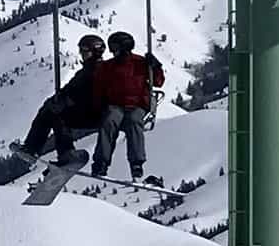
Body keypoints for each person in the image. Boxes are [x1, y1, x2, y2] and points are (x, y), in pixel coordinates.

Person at [17, 33, 108, 166]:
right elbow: (72, 89)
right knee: (53, 111)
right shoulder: (92, 70)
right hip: (94, 112)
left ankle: (37, 149)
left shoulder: (94, 71)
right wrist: (59, 99)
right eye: (81, 50)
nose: (81, 54)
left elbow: (83, 91)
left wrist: (63, 100)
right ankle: (58, 152)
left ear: (94, 51)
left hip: (95, 113)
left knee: (56, 114)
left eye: (85, 50)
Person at [92, 31, 167, 181]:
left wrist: (155, 67)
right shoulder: (108, 66)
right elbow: (99, 88)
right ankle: (101, 163)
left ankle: (136, 164)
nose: (113, 51)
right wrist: (99, 105)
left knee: (133, 122)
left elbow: (158, 81)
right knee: (109, 121)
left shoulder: (140, 63)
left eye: (115, 47)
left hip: (137, 105)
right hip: (116, 105)